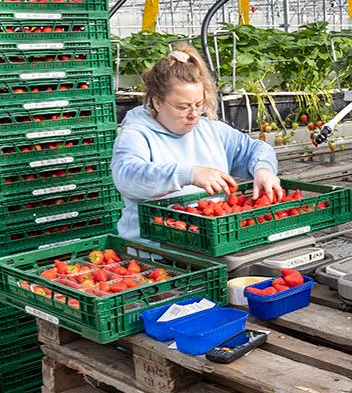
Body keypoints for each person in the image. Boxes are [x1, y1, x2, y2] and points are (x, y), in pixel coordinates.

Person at [111, 44, 284, 243]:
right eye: (182, 107)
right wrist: (190, 174)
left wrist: (263, 169)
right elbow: (127, 176)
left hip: (210, 241)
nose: (193, 114)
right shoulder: (137, 133)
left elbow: (255, 149)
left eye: (198, 105)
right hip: (155, 250)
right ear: (157, 102)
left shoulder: (209, 130)